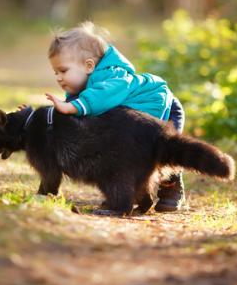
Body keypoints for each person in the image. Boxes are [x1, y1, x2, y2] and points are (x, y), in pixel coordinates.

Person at [45, 21, 186, 211]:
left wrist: (72, 108)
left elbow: (100, 97)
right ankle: (124, 193)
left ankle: (171, 188)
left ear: (89, 66)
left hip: (165, 111)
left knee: (163, 153)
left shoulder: (112, 77)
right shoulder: (79, 91)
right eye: (55, 72)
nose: (58, 77)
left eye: (63, 71)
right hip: (133, 122)